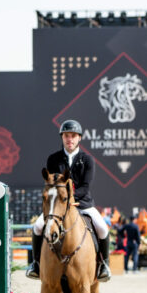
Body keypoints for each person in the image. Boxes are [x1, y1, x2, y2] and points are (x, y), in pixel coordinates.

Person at [26, 119, 112, 281]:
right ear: (62, 137)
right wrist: (63, 202)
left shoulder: (87, 160)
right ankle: (36, 264)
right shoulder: (53, 159)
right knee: (38, 226)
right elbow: (51, 184)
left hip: (83, 203)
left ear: (79, 138)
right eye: (66, 135)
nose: (69, 139)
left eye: (73, 135)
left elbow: (85, 186)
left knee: (102, 228)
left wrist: (72, 199)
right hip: (59, 206)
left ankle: (103, 265)